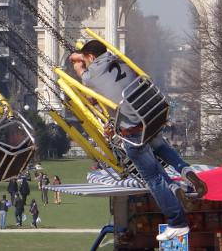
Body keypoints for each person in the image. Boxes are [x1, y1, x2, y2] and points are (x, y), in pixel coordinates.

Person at [70, 40, 208, 242]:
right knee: (160, 146)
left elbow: (78, 68)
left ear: (90, 57)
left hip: (132, 131)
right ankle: (188, 173)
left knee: (153, 178)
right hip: (150, 116)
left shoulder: (92, 76)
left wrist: (78, 61)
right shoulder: (121, 62)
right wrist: (85, 55)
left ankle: (177, 222)